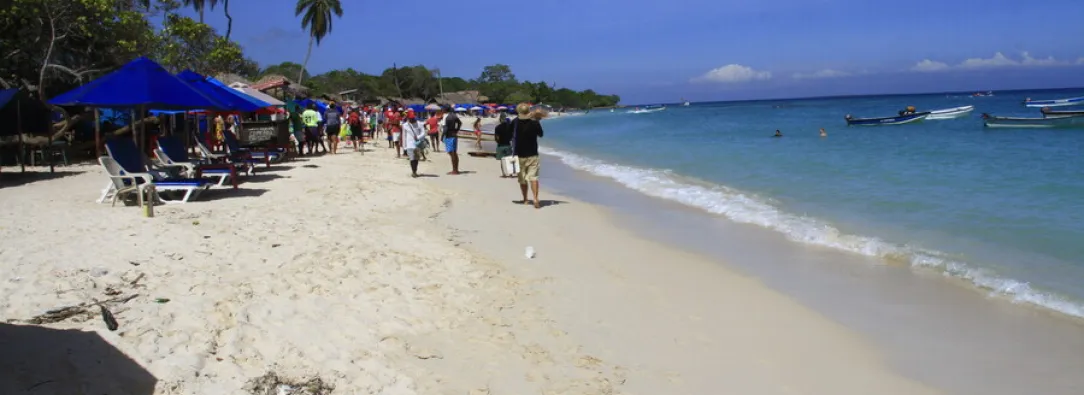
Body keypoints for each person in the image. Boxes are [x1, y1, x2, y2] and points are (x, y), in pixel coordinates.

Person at [512, 103, 544, 208]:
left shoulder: (515, 122)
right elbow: (541, 134)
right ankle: (535, 199)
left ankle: (525, 199)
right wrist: (538, 121)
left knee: (522, 179)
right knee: (533, 178)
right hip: (533, 154)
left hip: (519, 154)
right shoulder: (534, 122)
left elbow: (508, 134)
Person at [401, 112, 428, 177]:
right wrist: (404, 147)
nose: (412, 119)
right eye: (410, 118)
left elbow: (423, 133)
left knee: (416, 159)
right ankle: (413, 172)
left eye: (413, 118)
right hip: (409, 144)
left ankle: (415, 170)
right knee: (412, 158)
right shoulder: (405, 125)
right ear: (408, 118)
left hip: (417, 144)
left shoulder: (419, 124)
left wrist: (418, 137)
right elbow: (404, 136)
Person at [442, 106, 462, 174]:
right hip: (454, 135)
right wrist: (456, 130)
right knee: (454, 153)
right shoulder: (454, 116)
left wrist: (442, 136)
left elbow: (445, 128)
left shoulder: (446, 116)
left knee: (451, 153)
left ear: (445, 110)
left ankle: (455, 170)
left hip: (449, 135)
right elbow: (460, 123)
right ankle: (456, 169)